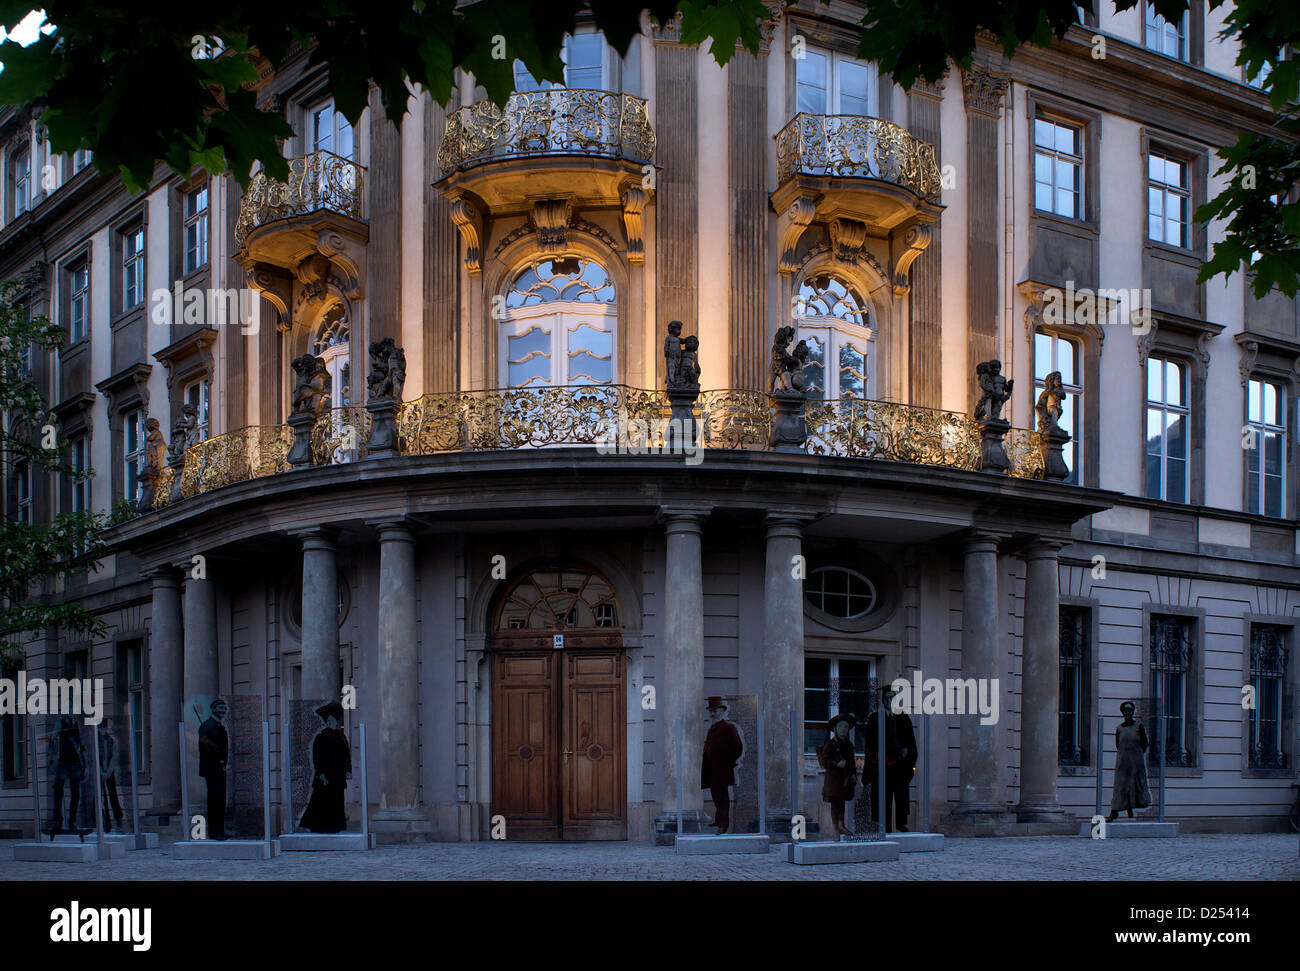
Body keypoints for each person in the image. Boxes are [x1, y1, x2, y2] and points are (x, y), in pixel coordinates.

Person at [865, 685, 918, 832]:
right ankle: (884, 825)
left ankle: (901, 823)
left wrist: (907, 752)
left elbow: (910, 741)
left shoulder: (903, 718)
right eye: (887, 698)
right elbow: (870, 742)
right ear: (883, 700)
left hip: (900, 765)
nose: (889, 700)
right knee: (883, 796)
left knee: (901, 795)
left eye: (892, 697)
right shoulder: (875, 718)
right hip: (883, 764)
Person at [298, 701, 352, 833]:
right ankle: (320, 826)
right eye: (333, 719)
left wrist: (348, 770)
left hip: (338, 777)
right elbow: (318, 758)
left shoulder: (341, 737)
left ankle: (335, 826)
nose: (336, 722)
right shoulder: (322, 737)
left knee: (336, 801)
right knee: (322, 801)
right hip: (326, 777)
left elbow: (346, 755)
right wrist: (321, 774)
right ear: (328, 720)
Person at [700, 696, 743, 834]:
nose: (712, 713)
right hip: (711, 770)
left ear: (721, 710)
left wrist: (728, 762)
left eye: (715, 710)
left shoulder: (729, 727)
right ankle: (718, 821)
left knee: (723, 797)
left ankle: (723, 825)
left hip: (723, 769)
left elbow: (738, 747)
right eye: (711, 711)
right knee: (715, 796)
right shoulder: (712, 728)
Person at [1108, 701, 1151, 822]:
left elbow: (1145, 743)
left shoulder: (1138, 726)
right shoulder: (1120, 728)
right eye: (1126, 711)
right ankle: (1114, 812)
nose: (1128, 713)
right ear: (1122, 712)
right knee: (1120, 787)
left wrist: (1136, 756)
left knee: (1134, 786)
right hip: (1123, 763)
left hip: (1136, 762)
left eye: (1130, 710)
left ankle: (1130, 811)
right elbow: (1118, 745)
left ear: (1133, 712)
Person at [818, 713, 857, 837]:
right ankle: (837, 828)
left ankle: (841, 825)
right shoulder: (830, 744)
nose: (843, 729)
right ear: (835, 729)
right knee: (836, 803)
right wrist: (836, 764)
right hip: (834, 780)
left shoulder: (849, 746)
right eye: (841, 726)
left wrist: (853, 774)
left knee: (841, 803)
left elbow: (851, 762)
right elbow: (824, 761)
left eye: (846, 727)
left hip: (845, 780)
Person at [47, 715, 86, 835]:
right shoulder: (60, 724)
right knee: (58, 791)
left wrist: (85, 765)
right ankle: (57, 821)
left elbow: (83, 747)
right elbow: (52, 741)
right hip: (62, 762)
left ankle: (72, 821)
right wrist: (52, 759)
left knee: (76, 793)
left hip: (75, 763)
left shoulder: (79, 725)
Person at [198, 699, 230, 839]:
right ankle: (215, 832)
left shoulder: (218, 725)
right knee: (215, 800)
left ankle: (220, 831)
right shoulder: (207, 726)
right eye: (220, 708)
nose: (223, 711)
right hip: (212, 767)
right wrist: (218, 759)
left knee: (221, 800)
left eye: (224, 708)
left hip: (220, 767)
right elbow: (204, 747)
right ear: (213, 709)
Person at [98, 719, 125, 832]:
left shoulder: (112, 741)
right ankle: (105, 822)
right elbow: (95, 757)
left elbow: (114, 756)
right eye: (102, 728)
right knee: (101, 798)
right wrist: (101, 771)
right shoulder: (96, 741)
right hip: (100, 772)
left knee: (113, 795)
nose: (104, 730)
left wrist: (108, 772)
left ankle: (118, 818)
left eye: (105, 728)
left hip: (109, 771)